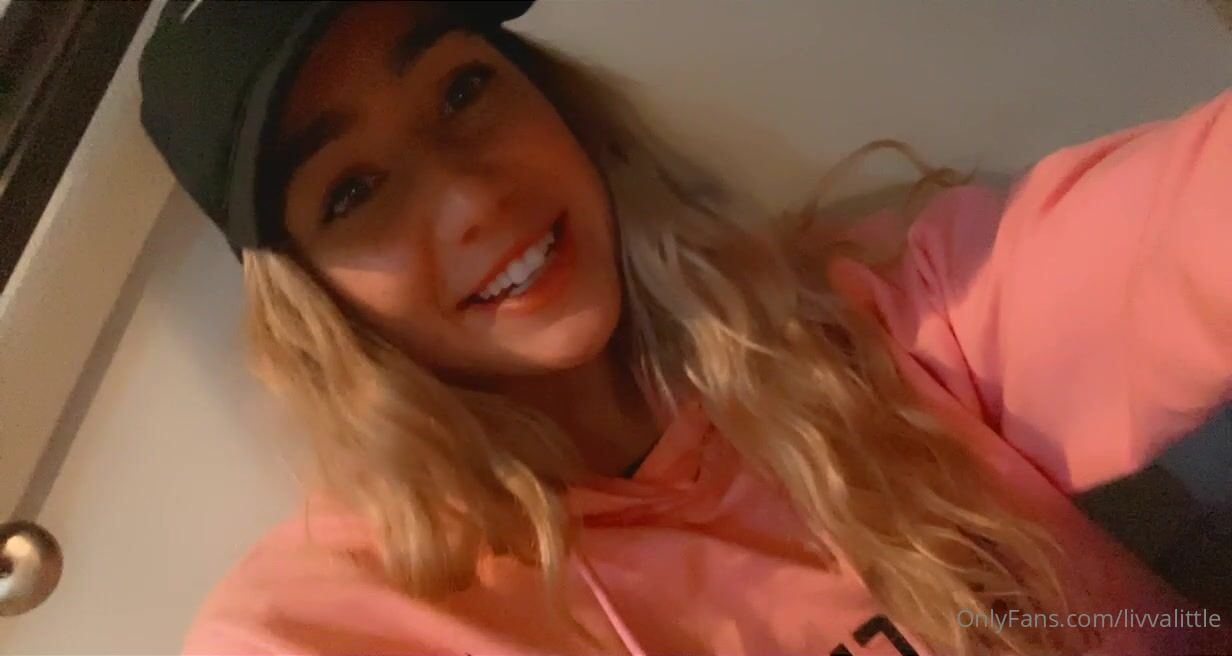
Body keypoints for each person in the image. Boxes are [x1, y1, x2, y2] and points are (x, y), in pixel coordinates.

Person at [138, 1, 1231, 654]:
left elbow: (1178, 234)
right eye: (352, 190)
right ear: (312, 300)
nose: (471, 198)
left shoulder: (870, 316)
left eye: (463, 89)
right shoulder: (337, 619)